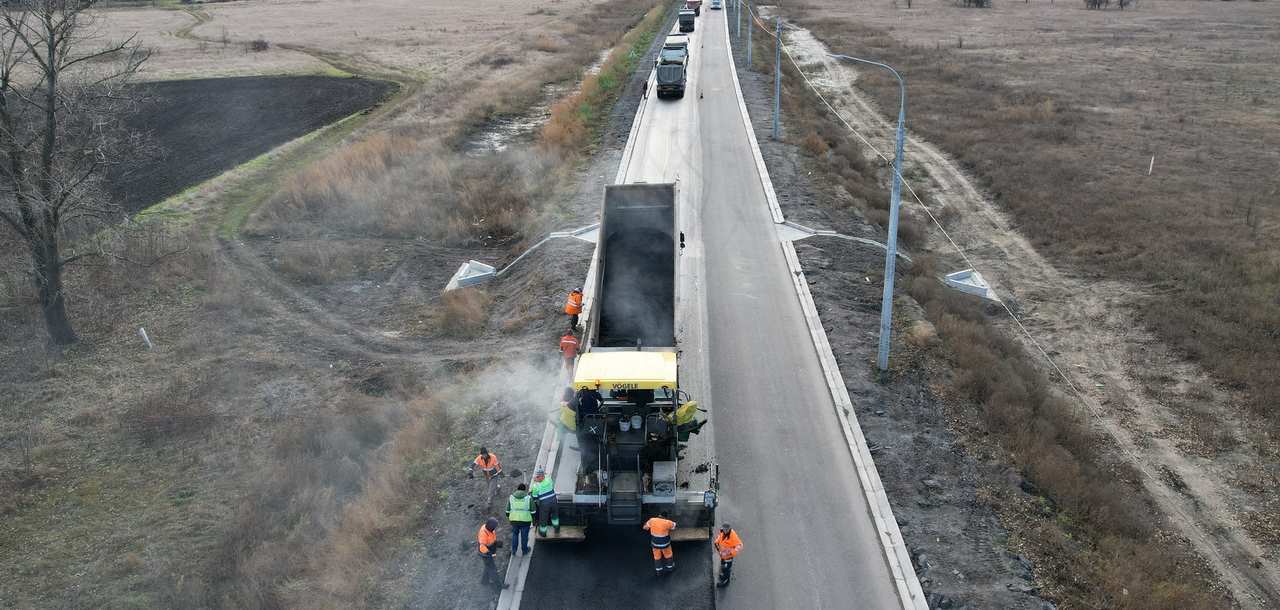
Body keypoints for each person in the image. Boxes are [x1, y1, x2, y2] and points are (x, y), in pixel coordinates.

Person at [530, 466, 560, 536]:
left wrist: (535, 482)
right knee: (555, 516)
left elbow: (534, 498)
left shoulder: (536, 486)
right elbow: (549, 482)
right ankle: (557, 529)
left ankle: (543, 533)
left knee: (543, 518)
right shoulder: (549, 480)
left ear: (540, 477)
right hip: (554, 501)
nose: (537, 478)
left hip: (544, 504)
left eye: (537, 476)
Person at [506, 483, 534, 556]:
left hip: (514, 521)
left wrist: (510, 517)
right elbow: (533, 511)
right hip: (525, 521)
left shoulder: (511, 497)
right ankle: (524, 550)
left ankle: (514, 550)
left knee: (515, 535)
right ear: (524, 490)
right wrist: (533, 518)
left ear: (517, 489)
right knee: (524, 536)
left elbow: (507, 511)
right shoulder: (528, 498)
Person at [713, 523, 744, 587]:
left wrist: (730, 553)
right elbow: (720, 537)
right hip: (722, 555)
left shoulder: (733, 536)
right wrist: (716, 542)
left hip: (728, 557)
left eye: (726, 529)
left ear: (729, 529)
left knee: (727, 569)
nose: (725, 530)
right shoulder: (722, 531)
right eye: (724, 529)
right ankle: (724, 575)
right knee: (723, 566)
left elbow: (740, 546)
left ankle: (726, 581)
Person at [477, 517, 503, 587]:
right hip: (485, 553)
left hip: (490, 550)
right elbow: (482, 547)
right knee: (492, 568)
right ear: (490, 527)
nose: (495, 528)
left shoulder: (490, 529)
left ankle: (484, 581)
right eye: (494, 527)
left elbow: (490, 539)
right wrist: (489, 553)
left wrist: (496, 543)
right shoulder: (483, 533)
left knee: (487, 566)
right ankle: (499, 585)